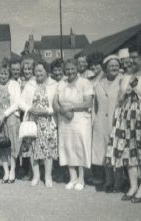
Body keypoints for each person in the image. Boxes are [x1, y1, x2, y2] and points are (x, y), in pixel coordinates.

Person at [105, 45, 141, 203]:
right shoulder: (128, 75)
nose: (132, 59)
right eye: (131, 56)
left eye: (135, 57)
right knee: (128, 152)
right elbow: (121, 98)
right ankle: (133, 186)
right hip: (127, 118)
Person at [53, 59, 94, 191]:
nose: (70, 72)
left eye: (72, 69)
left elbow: (88, 103)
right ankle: (73, 177)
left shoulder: (85, 83)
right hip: (64, 120)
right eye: (67, 69)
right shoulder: (60, 84)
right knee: (67, 147)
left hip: (80, 120)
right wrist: (62, 111)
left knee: (79, 147)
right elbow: (55, 102)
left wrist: (70, 107)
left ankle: (81, 178)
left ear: (77, 69)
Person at [20, 62, 58, 187]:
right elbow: (20, 102)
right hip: (32, 122)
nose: (38, 73)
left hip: (47, 121)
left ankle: (48, 177)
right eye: (36, 71)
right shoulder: (30, 85)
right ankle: (36, 176)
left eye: (41, 71)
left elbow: (58, 104)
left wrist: (47, 110)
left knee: (47, 150)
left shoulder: (54, 85)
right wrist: (30, 109)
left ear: (46, 71)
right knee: (33, 149)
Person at [92, 55, 123, 191]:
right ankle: (108, 180)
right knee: (104, 151)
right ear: (106, 68)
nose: (114, 68)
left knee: (117, 151)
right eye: (111, 65)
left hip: (117, 121)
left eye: (116, 65)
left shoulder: (123, 81)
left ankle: (119, 181)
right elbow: (94, 105)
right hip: (101, 122)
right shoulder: (99, 83)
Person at [0, 62, 21, 183]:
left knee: (12, 144)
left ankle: (12, 170)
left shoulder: (14, 84)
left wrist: (4, 114)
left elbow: (17, 103)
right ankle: (6, 171)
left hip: (11, 116)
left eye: (6, 73)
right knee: (1, 145)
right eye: (1, 73)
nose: (3, 76)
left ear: (9, 74)